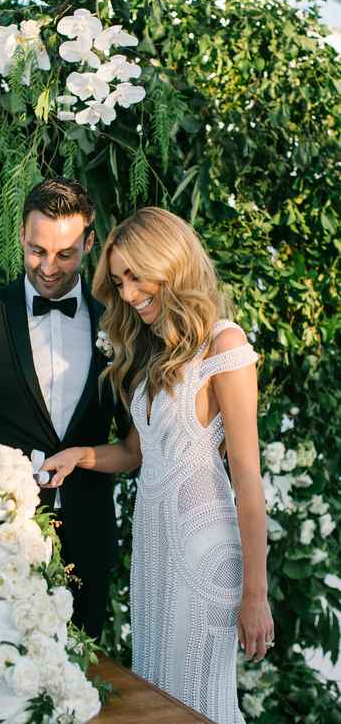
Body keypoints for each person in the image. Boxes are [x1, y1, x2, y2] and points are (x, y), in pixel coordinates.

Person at [42, 207, 274, 724]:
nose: (127, 293)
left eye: (136, 276)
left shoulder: (224, 345)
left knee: (200, 702)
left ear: (170, 262)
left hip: (204, 554)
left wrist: (255, 595)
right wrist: (79, 455)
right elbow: (136, 453)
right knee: (160, 700)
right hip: (154, 551)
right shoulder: (154, 355)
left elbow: (249, 481)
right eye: (120, 280)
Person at [0, 177, 128, 640]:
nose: (49, 267)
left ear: (90, 243)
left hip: (87, 546)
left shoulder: (116, 325)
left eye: (65, 253)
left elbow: (135, 438)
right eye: (37, 251)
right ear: (21, 236)